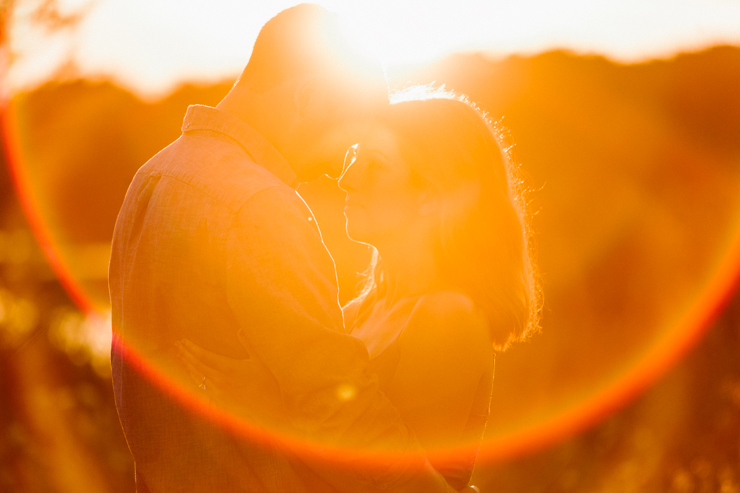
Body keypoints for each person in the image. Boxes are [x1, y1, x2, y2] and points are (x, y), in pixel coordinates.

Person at [109, 4, 461, 492]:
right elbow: (339, 412)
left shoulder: (152, 177)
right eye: (345, 139)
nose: (340, 169)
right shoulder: (258, 205)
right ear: (310, 96)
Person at [178, 88, 541, 491]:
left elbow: (398, 483)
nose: (346, 179)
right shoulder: (355, 312)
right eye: (353, 158)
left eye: (375, 166)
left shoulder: (447, 317)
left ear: (430, 195)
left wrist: (262, 409)